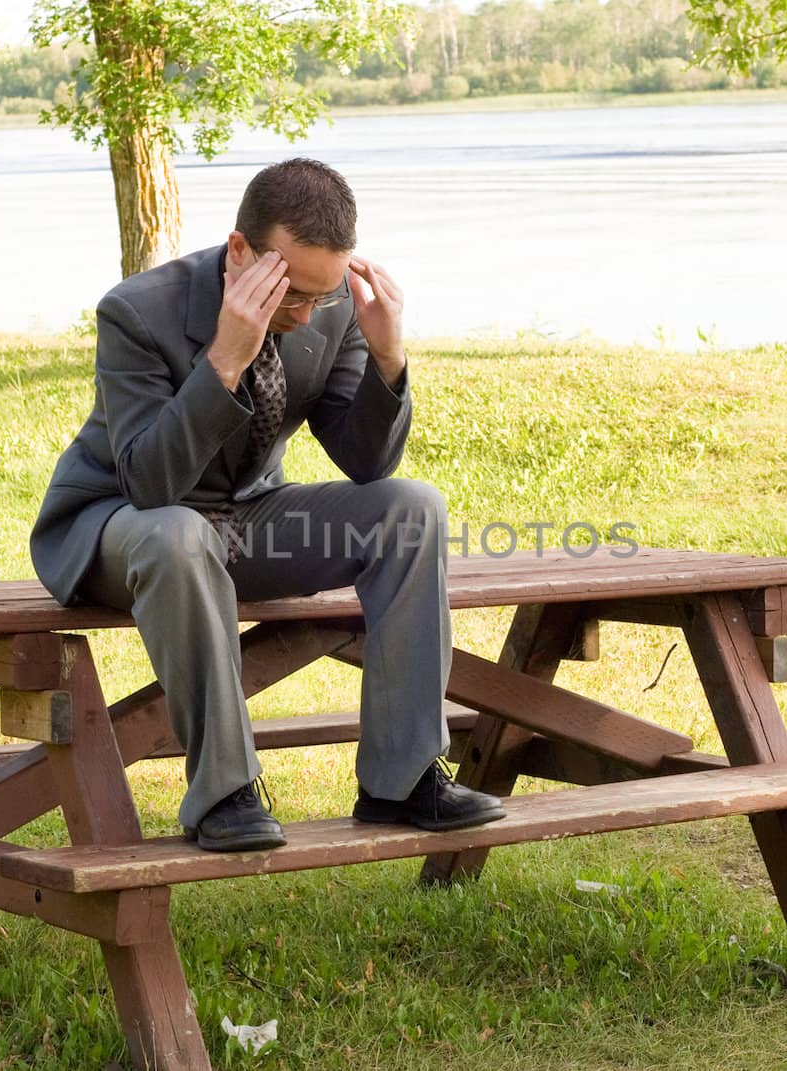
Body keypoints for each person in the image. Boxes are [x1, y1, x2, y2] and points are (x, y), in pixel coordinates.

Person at [30, 158, 505, 852]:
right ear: (239, 252)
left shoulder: (330, 305)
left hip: (245, 520)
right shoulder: (136, 311)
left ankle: (402, 780)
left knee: (410, 508)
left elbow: (367, 462)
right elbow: (150, 484)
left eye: (323, 293)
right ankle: (224, 792)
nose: (307, 314)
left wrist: (389, 359)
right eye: (291, 294)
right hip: (121, 524)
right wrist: (223, 360)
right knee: (177, 535)